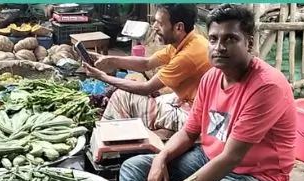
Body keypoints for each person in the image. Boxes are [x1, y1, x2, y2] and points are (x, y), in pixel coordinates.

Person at [119, 3, 296, 181]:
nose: (219, 47)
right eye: (213, 39)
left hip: (254, 177)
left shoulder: (267, 86)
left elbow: (231, 158)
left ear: (249, 43)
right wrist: (160, 157)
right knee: (134, 168)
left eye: (230, 39)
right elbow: (189, 132)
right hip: (208, 158)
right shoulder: (211, 77)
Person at [83, 4, 211, 134]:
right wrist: (109, 60)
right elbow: (146, 63)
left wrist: (102, 76)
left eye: (160, 23)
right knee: (129, 93)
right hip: (189, 102)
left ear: (178, 27)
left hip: (194, 116)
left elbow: (146, 88)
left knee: (122, 97)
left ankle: (109, 146)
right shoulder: (189, 40)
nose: (154, 27)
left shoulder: (187, 56)